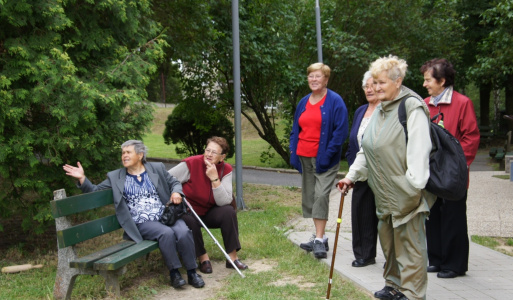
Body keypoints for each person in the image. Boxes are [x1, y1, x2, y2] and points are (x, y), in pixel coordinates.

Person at [337, 55, 435, 300]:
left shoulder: (412, 107)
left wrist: (413, 187)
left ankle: (412, 294)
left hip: (406, 192)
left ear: (398, 81)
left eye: (381, 83)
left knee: (410, 247)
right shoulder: (381, 108)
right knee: (390, 244)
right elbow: (366, 148)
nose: (376, 88)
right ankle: (393, 286)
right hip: (383, 192)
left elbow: (420, 152)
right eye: (374, 82)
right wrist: (351, 176)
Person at [63, 140, 205, 289]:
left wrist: (176, 191)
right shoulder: (115, 176)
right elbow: (94, 192)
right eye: (123, 153)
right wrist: (82, 178)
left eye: (128, 152)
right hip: (142, 222)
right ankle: (174, 273)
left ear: (140, 155)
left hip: (165, 216)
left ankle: (191, 272)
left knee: (183, 231)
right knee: (166, 233)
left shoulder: (157, 168)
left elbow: (174, 182)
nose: (124, 156)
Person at [420, 58, 480, 279]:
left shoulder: (462, 103)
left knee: (453, 216)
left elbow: (471, 137)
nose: (425, 84)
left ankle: (454, 264)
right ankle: (436, 259)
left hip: (453, 171)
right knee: (432, 214)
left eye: (428, 79)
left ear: (442, 80)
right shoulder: (424, 104)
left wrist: (456, 164)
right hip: (432, 169)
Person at [290, 62, 349, 259]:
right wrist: (293, 152)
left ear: (326, 79)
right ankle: (318, 237)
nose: (314, 80)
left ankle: (319, 239)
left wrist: (327, 154)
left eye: (318, 76)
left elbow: (340, 133)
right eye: (310, 76)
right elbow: (295, 129)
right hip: (304, 156)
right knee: (311, 197)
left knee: (322, 195)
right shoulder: (303, 102)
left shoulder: (335, 101)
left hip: (325, 158)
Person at [168, 136, 248, 274]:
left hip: (209, 211)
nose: (209, 155)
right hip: (188, 210)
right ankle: (203, 258)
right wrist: (176, 192)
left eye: (214, 152)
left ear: (222, 157)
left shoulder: (226, 169)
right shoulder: (191, 164)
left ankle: (232, 258)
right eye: (207, 150)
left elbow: (224, 201)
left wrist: (214, 178)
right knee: (190, 221)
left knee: (228, 211)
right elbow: (166, 179)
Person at [345, 71, 379, 268]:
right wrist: (352, 170)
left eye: (373, 84)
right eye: (366, 86)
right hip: (359, 173)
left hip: (381, 173)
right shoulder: (360, 111)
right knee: (361, 214)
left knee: (385, 218)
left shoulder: (387, 111)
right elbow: (352, 143)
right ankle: (364, 254)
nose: (369, 89)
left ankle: (393, 258)